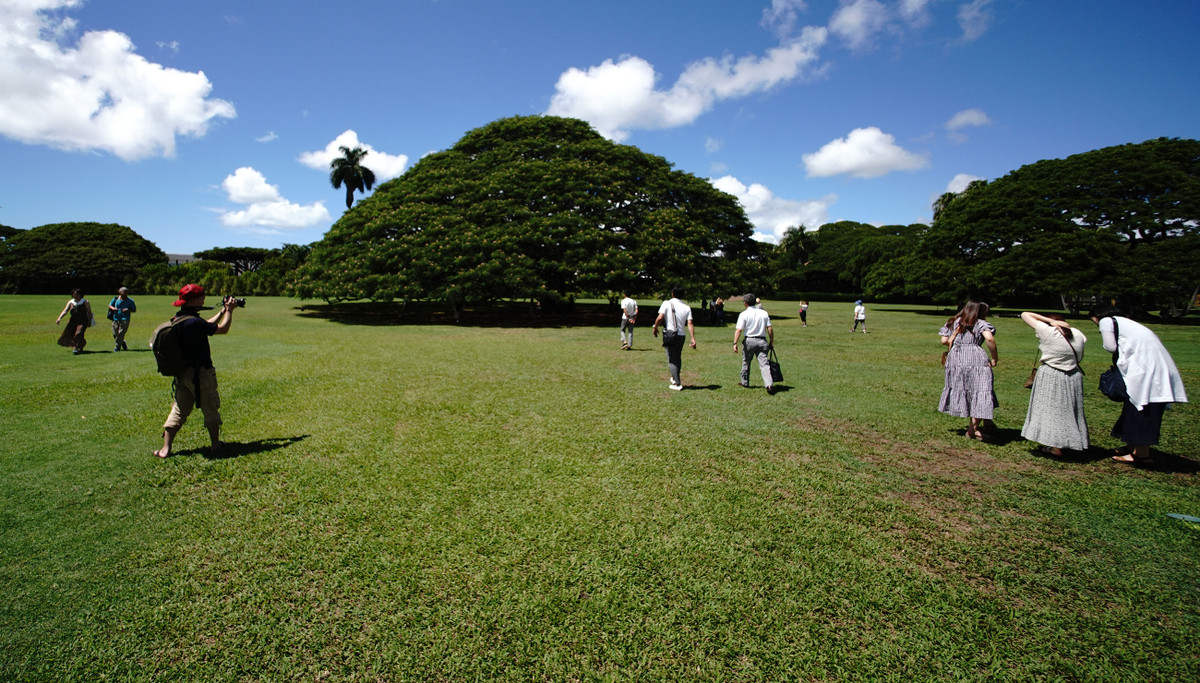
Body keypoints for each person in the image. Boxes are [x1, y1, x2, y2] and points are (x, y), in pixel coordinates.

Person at [1089, 305, 1188, 465]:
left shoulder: (1107, 321)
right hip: (1151, 367)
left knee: (1143, 409)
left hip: (1145, 371)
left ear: (1097, 315)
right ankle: (1132, 447)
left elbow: (1110, 346)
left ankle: (1142, 455)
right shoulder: (1127, 322)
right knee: (1134, 406)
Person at [154, 284, 239, 459]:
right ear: (194, 300)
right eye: (201, 296)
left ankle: (165, 448)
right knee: (210, 407)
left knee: (178, 409)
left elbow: (205, 325)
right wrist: (230, 311)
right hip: (201, 373)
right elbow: (222, 329)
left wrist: (221, 312)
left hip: (183, 373)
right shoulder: (194, 322)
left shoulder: (180, 318)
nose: (204, 298)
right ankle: (216, 445)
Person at [1019, 312, 1088, 455]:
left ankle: (1055, 446)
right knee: (1069, 410)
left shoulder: (1049, 332)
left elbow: (1025, 314)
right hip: (1073, 375)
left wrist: (1048, 321)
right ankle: (1067, 442)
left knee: (1050, 410)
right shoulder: (1078, 333)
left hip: (1052, 374)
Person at [938, 300, 998, 441]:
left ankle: (986, 423)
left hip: (955, 359)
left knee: (967, 390)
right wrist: (994, 358)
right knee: (981, 390)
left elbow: (943, 341)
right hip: (975, 358)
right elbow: (989, 339)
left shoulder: (954, 322)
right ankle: (973, 429)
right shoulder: (980, 323)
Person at [652, 287, 697, 390]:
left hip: (670, 334)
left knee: (671, 359)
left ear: (672, 294)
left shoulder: (666, 303)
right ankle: (674, 376)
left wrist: (655, 327)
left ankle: (677, 383)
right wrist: (693, 338)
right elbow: (690, 323)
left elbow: (660, 317)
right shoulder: (686, 307)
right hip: (681, 335)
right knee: (677, 357)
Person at [733, 292, 776, 394]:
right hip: (762, 340)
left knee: (746, 362)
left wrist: (735, 343)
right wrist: (771, 341)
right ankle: (769, 384)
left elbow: (739, 330)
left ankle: (745, 382)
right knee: (764, 364)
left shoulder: (743, 314)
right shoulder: (764, 313)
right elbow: (769, 328)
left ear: (745, 303)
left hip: (749, 341)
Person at [55, 289, 93, 354]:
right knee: (70, 334)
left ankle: (76, 347)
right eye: (74, 294)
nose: (76, 295)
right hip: (73, 321)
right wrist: (59, 318)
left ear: (81, 295)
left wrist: (90, 321)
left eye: (77, 294)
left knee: (79, 333)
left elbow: (89, 312)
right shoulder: (70, 302)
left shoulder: (85, 302)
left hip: (83, 321)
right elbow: (65, 311)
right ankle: (80, 345)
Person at [108, 286, 137, 352]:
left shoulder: (130, 301)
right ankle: (122, 342)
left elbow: (134, 310)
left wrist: (128, 310)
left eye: (126, 293)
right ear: (120, 293)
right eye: (123, 293)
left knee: (121, 333)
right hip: (116, 318)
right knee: (115, 334)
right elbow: (110, 305)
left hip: (125, 318)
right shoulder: (115, 299)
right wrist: (113, 308)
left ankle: (117, 347)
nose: (125, 295)